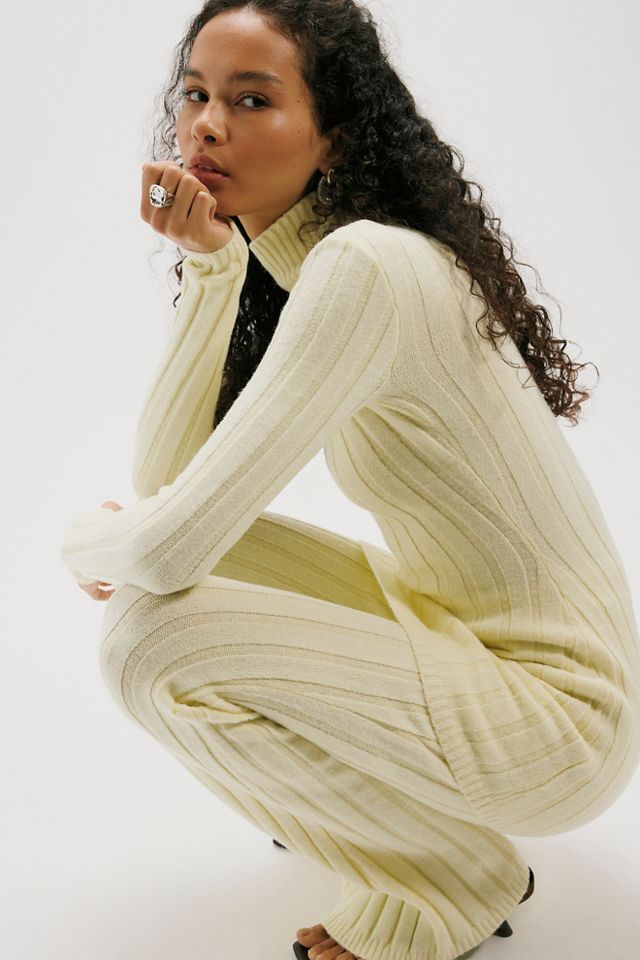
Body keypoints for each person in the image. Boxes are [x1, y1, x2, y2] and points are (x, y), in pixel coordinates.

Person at [60, 2, 640, 959]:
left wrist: (83, 541)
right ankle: (402, 829)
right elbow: (170, 493)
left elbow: (161, 546)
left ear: (332, 136)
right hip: (461, 646)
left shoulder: (368, 265)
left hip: (559, 726)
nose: (207, 126)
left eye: (252, 99)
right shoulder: (338, 263)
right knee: (166, 587)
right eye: (196, 95)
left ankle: (446, 877)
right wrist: (214, 271)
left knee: (145, 641)